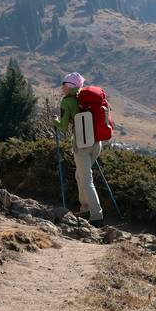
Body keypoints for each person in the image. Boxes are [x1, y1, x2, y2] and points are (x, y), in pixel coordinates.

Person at [56, 71, 104, 225]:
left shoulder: (67, 102)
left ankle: (96, 216)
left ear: (70, 86)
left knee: (86, 180)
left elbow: (63, 126)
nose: (62, 88)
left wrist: (55, 121)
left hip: (82, 144)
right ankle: (85, 209)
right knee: (80, 176)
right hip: (96, 143)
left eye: (64, 85)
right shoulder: (85, 98)